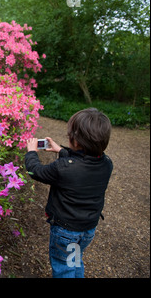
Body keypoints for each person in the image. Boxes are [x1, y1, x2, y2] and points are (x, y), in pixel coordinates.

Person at [25, 108, 113, 278]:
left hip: (66, 230)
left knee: (63, 267)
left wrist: (31, 152)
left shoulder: (63, 168)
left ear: (77, 142)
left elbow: (35, 171)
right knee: (75, 260)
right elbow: (82, 161)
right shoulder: (107, 163)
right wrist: (61, 150)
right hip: (88, 228)